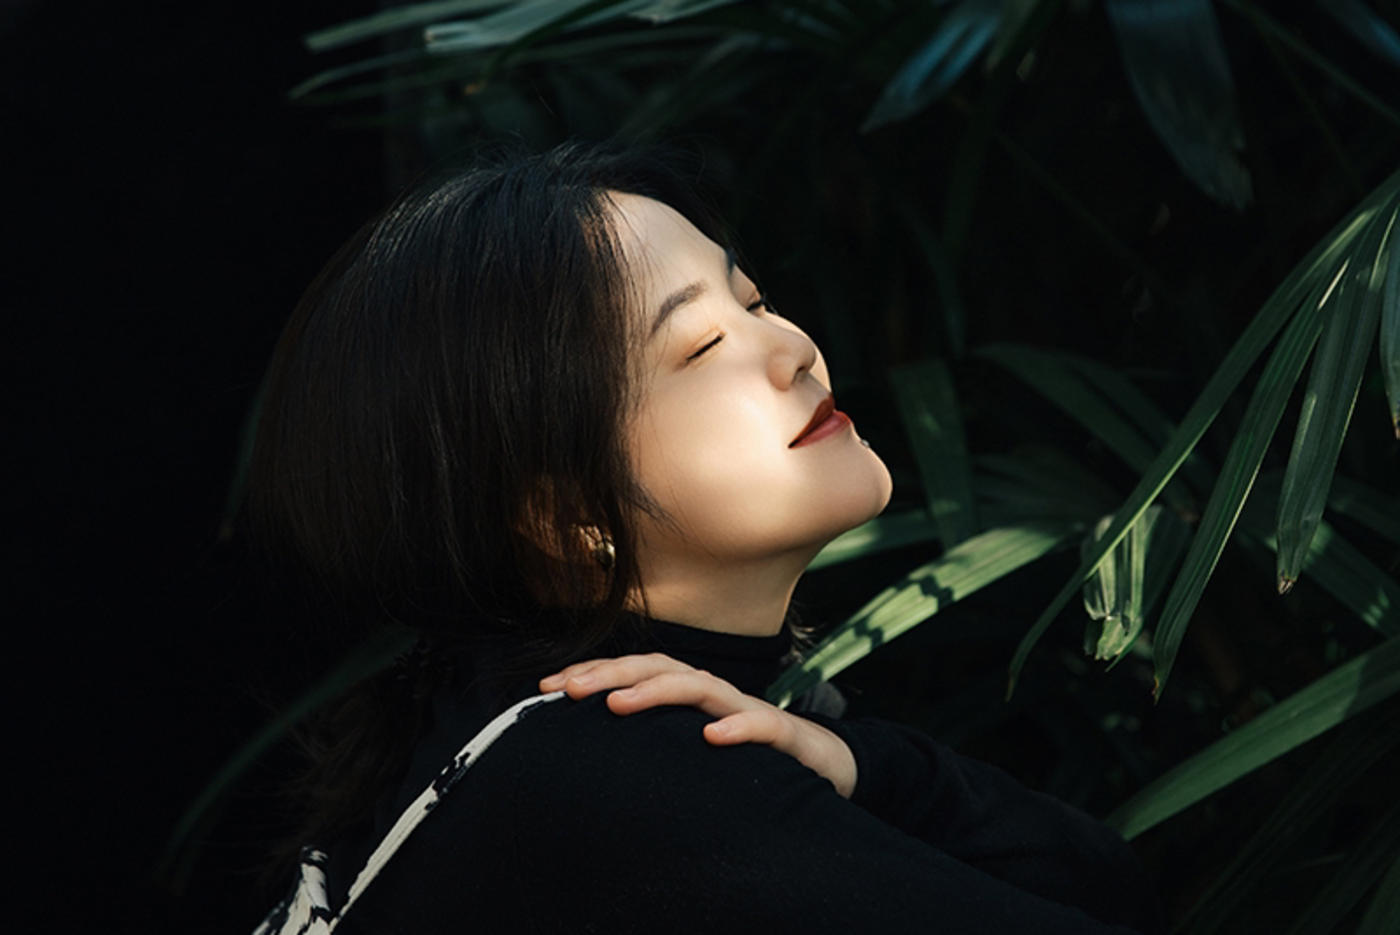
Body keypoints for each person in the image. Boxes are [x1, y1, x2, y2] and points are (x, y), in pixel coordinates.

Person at [247, 142, 1162, 933]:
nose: (792, 347)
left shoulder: (528, 733)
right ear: (567, 517)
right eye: (699, 347)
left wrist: (856, 765)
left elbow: (1113, 886)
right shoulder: (617, 778)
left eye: (753, 303)